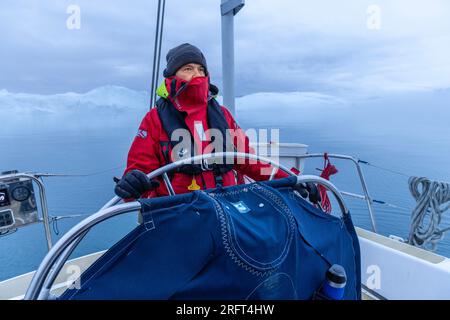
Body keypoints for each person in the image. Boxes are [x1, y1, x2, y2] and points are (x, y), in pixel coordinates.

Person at [114, 43, 289, 200]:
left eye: (201, 69)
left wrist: (290, 180)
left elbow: (250, 160)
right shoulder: (155, 119)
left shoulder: (222, 115)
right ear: (172, 76)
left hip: (227, 208)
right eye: (188, 69)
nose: (197, 75)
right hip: (180, 213)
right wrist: (133, 182)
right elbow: (140, 169)